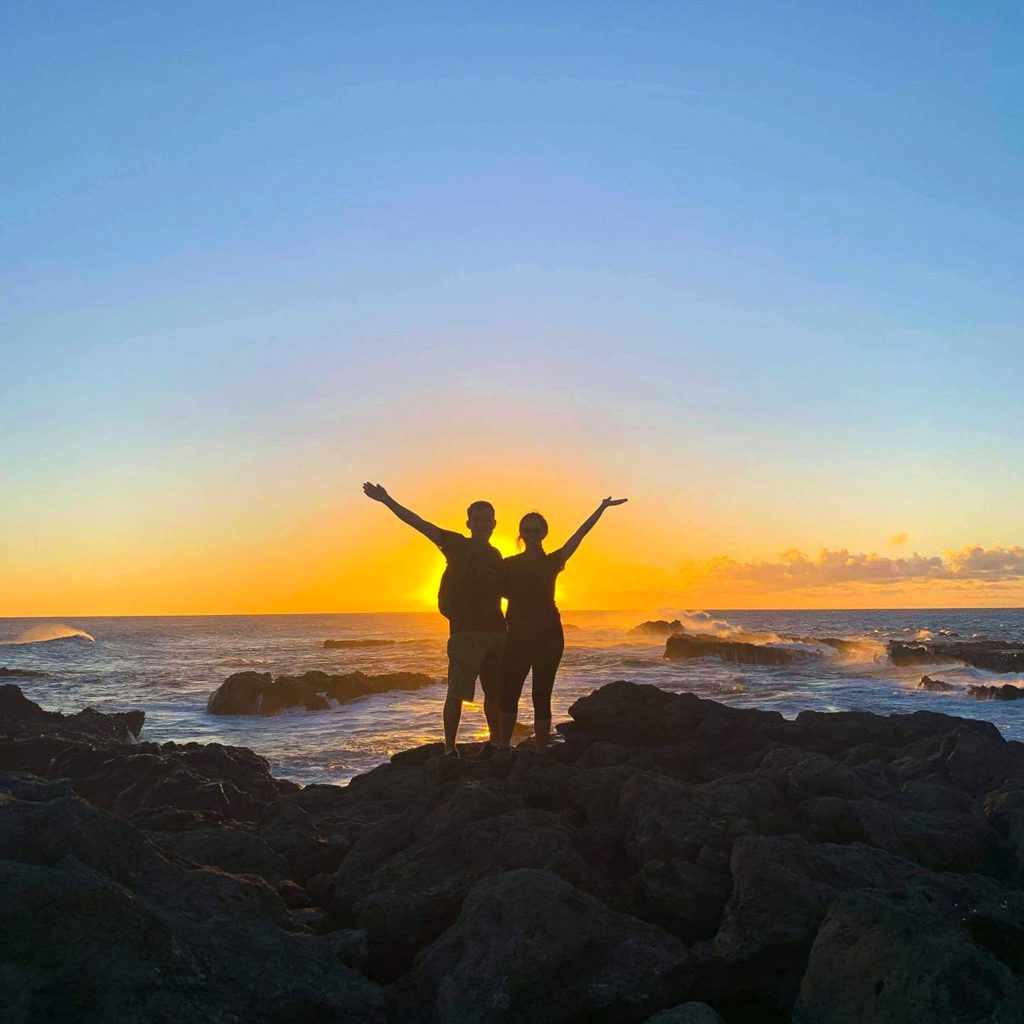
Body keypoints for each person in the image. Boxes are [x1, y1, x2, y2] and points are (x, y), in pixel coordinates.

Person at [362, 483, 505, 757]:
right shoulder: (456, 544)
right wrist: (387, 500)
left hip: (497, 633)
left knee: (495, 693)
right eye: (478, 519)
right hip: (465, 634)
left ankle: (496, 743)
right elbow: (420, 524)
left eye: (487, 520)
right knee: (457, 693)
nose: (483, 524)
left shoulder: (496, 555)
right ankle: (450, 749)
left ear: (494, 523)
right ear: (469, 522)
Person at [499, 496, 628, 751]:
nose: (532, 534)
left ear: (544, 533)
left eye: (536, 530)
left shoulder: (552, 562)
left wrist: (600, 507)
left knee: (541, 693)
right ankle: (502, 747)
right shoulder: (508, 565)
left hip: (549, 637)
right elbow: (488, 587)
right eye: (527, 530)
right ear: (521, 534)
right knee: (509, 692)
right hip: (515, 636)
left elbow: (580, 535)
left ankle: (541, 749)